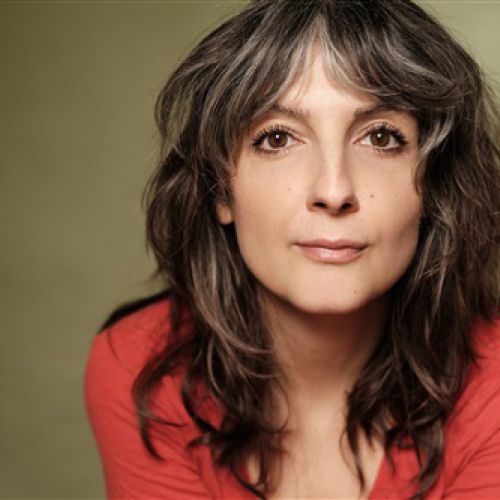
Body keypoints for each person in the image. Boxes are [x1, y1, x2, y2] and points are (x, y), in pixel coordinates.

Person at [84, 0, 500, 498]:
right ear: (221, 190)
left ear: (433, 187)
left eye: (381, 136)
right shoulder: (144, 370)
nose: (333, 189)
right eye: (278, 138)